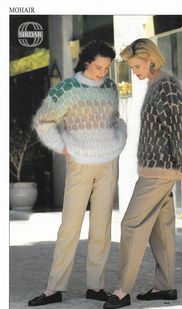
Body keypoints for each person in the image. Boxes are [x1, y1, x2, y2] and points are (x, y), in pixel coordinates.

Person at [103, 38, 182, 309]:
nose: (134, 71)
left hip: (159, 172)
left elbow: (181, 129)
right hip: (158, 169)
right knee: (161, 227)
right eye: (132, 66)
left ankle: (122, 291)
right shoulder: (157, 84)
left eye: (137, 65)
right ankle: (165, 287)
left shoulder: (165, 86)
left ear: (151, 59)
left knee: (130, 225)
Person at [28, 40, 127, 306]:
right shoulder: (67, 88)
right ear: (86, 62)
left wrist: (120, 137)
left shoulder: (109, 87)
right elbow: (43, 121)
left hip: (108, 165)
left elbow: (115, 118)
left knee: (101, 228)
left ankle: (96, 287)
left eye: (106, 68)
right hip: (80, 165)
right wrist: (62, 146)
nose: (103, 73)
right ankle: (54, 289)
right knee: (70, 226)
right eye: (98, 67)